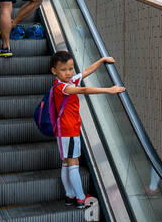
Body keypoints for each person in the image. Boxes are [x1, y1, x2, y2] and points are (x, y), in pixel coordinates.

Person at [48, 50, 125, 207]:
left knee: (66, 162)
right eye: (63, 70)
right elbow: (83, 90)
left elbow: (85, 72)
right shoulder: (61, 87)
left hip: (66, 130)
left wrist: (102, 59)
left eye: (70, 68)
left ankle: (70, 196)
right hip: (68, 130)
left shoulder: (69, 81)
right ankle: (81, 198)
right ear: (54, 71)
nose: (69, 73)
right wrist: (109, 90)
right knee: (73, 162)